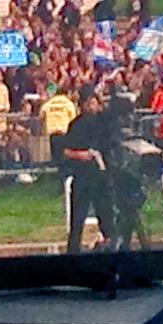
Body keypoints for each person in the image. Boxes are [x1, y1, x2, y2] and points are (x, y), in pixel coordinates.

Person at [58, 85, 118, 253]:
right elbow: (65, 151)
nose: (93, 107)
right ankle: (73, 252)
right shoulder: (75, 125)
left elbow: (111, 140)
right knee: (77, 219)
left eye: (95, 103)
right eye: (90, 103)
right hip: (82, 177)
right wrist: (81, 155)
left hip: (101, 177)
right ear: (83, 105)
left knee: (106, 215)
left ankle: (109, 246)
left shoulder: (104, 122)